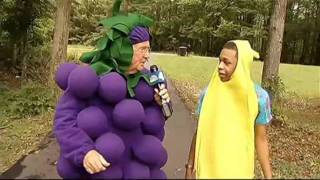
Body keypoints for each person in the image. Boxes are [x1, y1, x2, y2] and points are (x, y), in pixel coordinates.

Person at [53, 0, 171, 179]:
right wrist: (84, 152)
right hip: (99, 170)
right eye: (142, 49)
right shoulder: (92, 77)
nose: (147, 56)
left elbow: (154, 122)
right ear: (122, 48)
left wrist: (160, 104)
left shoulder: (148, 79)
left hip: (134, 170)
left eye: (149, 49)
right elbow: (64, 120)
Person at [185, 40, 272, 179]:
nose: (220, 66)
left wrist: (268, 176)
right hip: (209, 170)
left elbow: (260, 140)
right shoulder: (208, 94)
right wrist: (189, 166)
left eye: (227, 62)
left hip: (240, 170)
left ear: (241, 65)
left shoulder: (259, 98)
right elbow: (200, 131)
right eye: (219, 61)